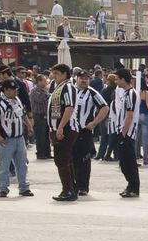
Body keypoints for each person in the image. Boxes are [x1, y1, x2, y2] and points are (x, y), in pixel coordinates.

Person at [0, 78, 33, 198]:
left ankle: (24, 187)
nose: (16, 92)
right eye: (14, 90)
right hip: (6, 139)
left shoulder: (16, 100)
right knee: (4, 165)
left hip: (19, 138)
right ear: (6, 90)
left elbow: (22, 114)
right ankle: (3, 188)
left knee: (22, 164)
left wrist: (29, 126)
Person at [70, 70, 109, 197]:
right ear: (76, 78)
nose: (84, 80)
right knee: (71, 158)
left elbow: (105, 107)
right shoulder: (70, 91)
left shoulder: (92, 93)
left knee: (84, 159)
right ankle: (72, 184)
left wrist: (94, 122)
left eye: (86, 78)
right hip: (71, 130)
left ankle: (82, 186)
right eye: (81, 78)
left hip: (84, 131)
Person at [46, 63, 78, 201]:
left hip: (66, 129)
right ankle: (71, 188)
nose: (54, 76)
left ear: (65, 74)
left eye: (57, 73)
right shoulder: (58, 88)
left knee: (62, 160)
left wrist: (60, 127)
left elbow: (69, 108)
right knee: (64, 160)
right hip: (58, 128)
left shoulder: (68, 87)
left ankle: (68, 190)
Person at [111, 69, 140, 198]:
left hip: (127, 132)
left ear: (123, 79)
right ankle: (131, 185)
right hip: (122, 130)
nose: (116, 81)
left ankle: (133, 187)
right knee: (124, 162)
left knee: (128, 162)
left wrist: (123, 133)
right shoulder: (125, 93)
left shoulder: (131, 94)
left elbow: (130, 114)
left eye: (117, 79)